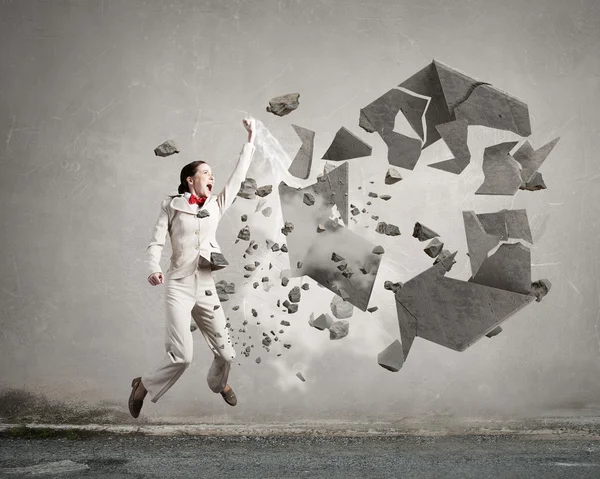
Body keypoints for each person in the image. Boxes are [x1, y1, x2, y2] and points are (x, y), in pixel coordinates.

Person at [128, 118, 257, 418]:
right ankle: (143, 386)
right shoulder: (171, 206)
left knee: (226, 353)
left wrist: (250, 140)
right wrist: (152, 267)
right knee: (182, 356)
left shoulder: (216, 205)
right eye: (205, 173)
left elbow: (238, 178)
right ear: (190, 179)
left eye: (213, 174)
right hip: (179, 286)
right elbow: (156, 241)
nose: (212, 177)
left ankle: (218, 384)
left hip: (206, 286)